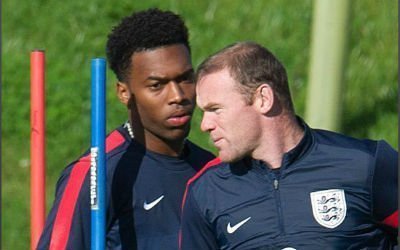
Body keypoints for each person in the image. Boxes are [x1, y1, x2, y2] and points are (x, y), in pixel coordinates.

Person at [180, 41, 398, 249]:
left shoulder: (366, 164)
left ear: (263, 99)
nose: (205, 125)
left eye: (215, 109)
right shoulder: (206, 191)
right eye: (203, 112)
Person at [37, 8, 215, 250]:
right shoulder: (95, 174)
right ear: (124, 92)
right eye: (157, 85)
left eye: (185, 78)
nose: (178, 96)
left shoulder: (211, 168)